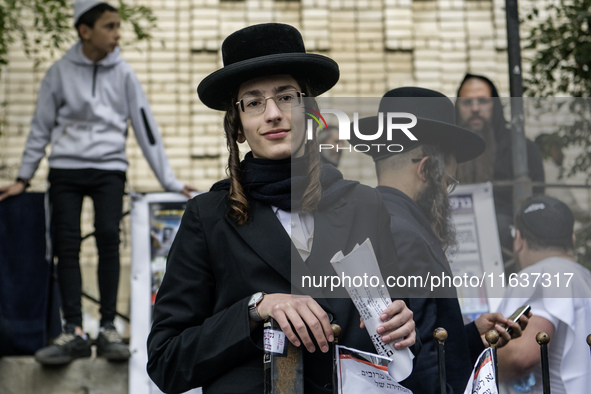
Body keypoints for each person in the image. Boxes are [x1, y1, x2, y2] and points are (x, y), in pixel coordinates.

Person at [146, 23, 416, 393]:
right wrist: (257, 308)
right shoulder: (207, 218)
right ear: (238, 126)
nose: (272, 113)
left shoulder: (365, 206)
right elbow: (166, 361)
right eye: (254, 102)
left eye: (286, 97)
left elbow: (387, 330)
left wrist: (401, 326)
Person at [0, 0, 194, 364]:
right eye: (110, 26)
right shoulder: (58, 73)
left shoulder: (124, 74)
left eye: (118, 26)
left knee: (108, 238)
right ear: (84, 30)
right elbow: (39, 129)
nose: (117, 34)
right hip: (65, 171)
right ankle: (73, 330)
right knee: (67, 246)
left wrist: (169, 179)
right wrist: (23, 179)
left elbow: (146, 129)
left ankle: (107, 329)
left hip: (109, 170)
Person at [349, 87, 528, 393]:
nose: (446, 193)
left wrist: (469, 336)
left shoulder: (375, 221)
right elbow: (418, 365)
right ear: (426, 169)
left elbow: (423, 338)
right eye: (448, 182)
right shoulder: (405, 235)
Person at [496, 196, 591, 394]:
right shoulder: (585, 278)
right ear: (572, 238)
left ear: (519, 240)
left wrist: (470, 355)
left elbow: (522, 356)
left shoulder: (540, 276)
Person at [455, 74, 545, 266]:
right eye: (467, 102)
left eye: (483, 101)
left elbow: (536, 201)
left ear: (495, 105)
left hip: (510, 255)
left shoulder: (523, 149)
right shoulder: (447, 151)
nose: (475, 108)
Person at [534, 133, 590, 223]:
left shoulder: (538, 167)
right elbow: (567, 203)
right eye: (559, 149)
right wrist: (587, 217)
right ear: (551, 149)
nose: (563, 155)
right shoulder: (549, 169)